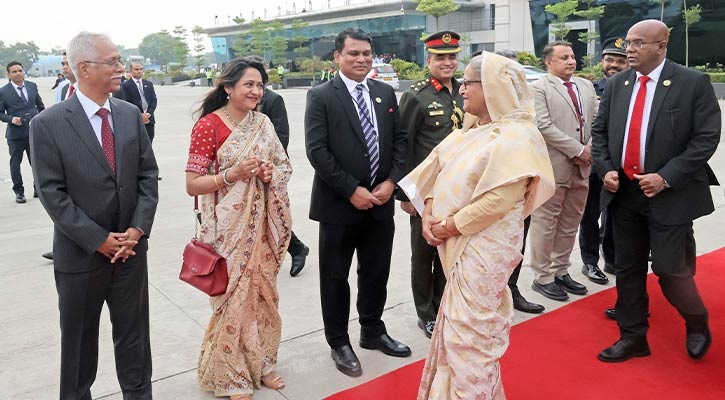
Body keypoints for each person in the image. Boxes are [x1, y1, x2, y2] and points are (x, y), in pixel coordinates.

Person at [399, 51, 555, 400]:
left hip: (484, 249)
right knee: (456, 329)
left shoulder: (518, 136)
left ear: (494, 88)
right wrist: (427, 211)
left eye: (469, 82)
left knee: (470, 335)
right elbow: (431, 173)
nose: (463, 89)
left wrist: (447, 227)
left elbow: (497, 201)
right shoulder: (472, 131)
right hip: (455, 241)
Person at [29, 31, 159, 400]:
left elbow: (147, 176)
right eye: (114, 62)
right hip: (81, 256)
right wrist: (97, 238)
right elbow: (52, 194)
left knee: (135, 343)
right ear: (84, 68)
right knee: (79, 348)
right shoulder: (48, 124)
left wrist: (137, 228)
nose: (121, 68)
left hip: (131, 253)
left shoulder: (130, 114)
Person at [592, 19, 720, 363]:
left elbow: (706, 137)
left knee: (669, 269)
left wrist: (666, 176)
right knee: (627, 268)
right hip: (625, 194)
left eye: (637, 44)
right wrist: (606, 170)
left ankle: (696, 322)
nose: (629, 50)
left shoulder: (692, 82)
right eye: (628, 43)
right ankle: (633, 337)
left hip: (670, 194)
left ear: (661, 46)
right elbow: (600, 132)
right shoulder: (618, 84)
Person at [305, 28, 410, 378]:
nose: (362, 59)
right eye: (353, 54)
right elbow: (317, 151)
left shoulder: (384, 92)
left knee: (376, 271)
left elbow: (400, 141)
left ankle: (372, 330)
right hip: (339, 206)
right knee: (335, 277)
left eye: (367, 53)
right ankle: (339, 341)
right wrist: (352, 189)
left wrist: (392, 182)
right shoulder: (321, 95)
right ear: (337, 56)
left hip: (381, 202)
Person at [185, 57, 292, 400]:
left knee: (263, 297)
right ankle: (231, 376)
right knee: (233, 300)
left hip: (261, 227)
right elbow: (192, 184)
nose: (256, 91)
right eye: (248, 84)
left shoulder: (263, 123)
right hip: (226, 232)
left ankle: (261, 363)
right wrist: (232, 175)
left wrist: (266, 174)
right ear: (228, 88)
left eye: (260, 85)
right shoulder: (208, 126)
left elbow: (283, 167)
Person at [397, 31, 464, 338]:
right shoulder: (416, 96)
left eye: (452, 57)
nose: (447, 63)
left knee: (449, 249)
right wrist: (407, 195)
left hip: (459, 189)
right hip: (426, 193)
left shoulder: (464, 91)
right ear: (429, 60)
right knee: (424, 254)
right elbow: (404, 147)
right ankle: (426, 312)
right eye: (440, 57)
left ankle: (443, 303)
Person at [528, 41, 597, 302]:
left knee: (570, 221)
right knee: (546, 222)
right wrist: (578, 151)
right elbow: (543, 126)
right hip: (554, 166)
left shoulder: (586, 86)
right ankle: (542, 276)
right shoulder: (539, 89)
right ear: (548, 62)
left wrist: (589, 148)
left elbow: (598, 119)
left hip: (583, 168)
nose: (571, 61)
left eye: (572, 56)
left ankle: (561, 270)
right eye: (564, 57)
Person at [243, 55, 310, 277]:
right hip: (242, 172)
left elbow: (282, 136)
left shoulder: (273, 100)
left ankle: (297, 248)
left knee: (271, 213)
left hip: (267, 170)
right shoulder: (236, 101)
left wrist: (267, 166)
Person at [495, 48, 547, 314]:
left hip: (522, 187)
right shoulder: (484, 102)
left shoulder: (527, 105)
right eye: (506, 72)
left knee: (517, 243)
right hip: (492, 192)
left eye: (516, 72)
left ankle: (512, 289)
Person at [579, 37, 627, 288]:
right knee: (591, 214)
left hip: (623, 165)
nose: (614, 65)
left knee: (615, 215)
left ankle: (611, 258)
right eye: (610, 60)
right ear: (602, 62)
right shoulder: (590, 91)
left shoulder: (633, 90)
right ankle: (590, 261)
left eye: (620, 61)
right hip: (595, 163)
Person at [43, 51, 79, 261]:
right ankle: (61, 247)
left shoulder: (103, 91)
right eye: (62, 64)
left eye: (67, 63)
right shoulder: (64, 89)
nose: (63, 68)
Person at [0, 61, 45, 204]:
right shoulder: (3, 91)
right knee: (15, 164)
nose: (18, 73)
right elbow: (0, 113)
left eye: (20, 70)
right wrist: (12, 119)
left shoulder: (32, 86)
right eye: (14, 71)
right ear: (8, 74)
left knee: (37, 163)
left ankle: (38, 189)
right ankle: (19, 192)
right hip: (15, 135)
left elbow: (40, 106)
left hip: (33, 132)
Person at [121, 62, 157, 143]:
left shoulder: (149, 84)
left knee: (149, 144)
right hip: (135, 121)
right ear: (130, 71)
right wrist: (140, 115)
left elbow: (154, 100)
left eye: (141, 69)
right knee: (137, 146)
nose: (139, 71)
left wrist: (148, 114)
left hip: (149, 120)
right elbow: (126, 102)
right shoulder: (125, 85)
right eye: (136, 69)